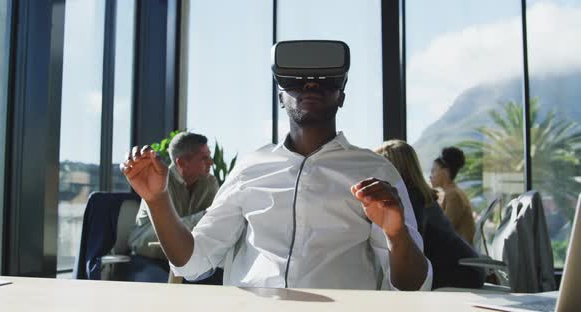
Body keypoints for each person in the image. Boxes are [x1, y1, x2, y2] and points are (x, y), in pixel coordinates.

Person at [121, 40, 431, 290]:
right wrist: (157, 200)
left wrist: (396, 233)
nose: (310, 86)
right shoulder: (250, 168)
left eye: (324, 82)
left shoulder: (375, 171)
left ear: (342, 97)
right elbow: (193, 262)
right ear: (281, 98)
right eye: (296, 81)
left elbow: (412, 285)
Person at [375, 140, 484, 289]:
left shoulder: (413, 201)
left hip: (460, 272)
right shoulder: (423, 197)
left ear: (393, 168)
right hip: (468, 268)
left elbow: (411, 251)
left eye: (379, 166)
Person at [127, 132, 220, 282]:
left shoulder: (209, 183)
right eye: (204, 158)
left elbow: (211, 226)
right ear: (182, 163)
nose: (211, 162)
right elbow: (207, 219)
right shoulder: (159, 181)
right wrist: (204, 216)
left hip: (187, 258)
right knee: (160, 289)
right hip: (150, 256)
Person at [430, 146, 475, 244]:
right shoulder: (453, 192)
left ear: (445, 172)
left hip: (460, 255)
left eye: (433, 171)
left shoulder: (453, 195)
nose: (430, 176)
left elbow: (445, 229)